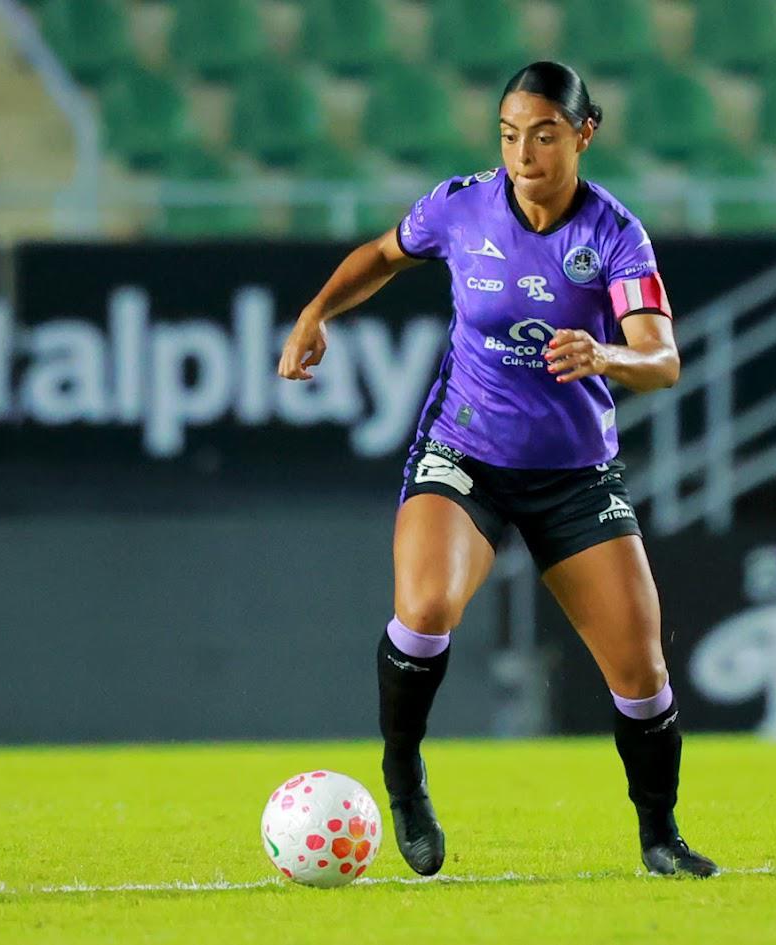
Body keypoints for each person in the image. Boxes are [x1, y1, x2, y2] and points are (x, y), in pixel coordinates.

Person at [278, 61, 718, 879]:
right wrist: (315, 312)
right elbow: (382, 254)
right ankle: (403, 778)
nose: (523, 154)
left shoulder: (614, 235)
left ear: (584, 135)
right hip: (466, 453)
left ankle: (660, 836)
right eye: (511, 135)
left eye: (544, 136)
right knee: (425, 610)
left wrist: (606, 354)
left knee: (642, 672)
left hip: (577, 475)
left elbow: (662, 359)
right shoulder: (460, 207)